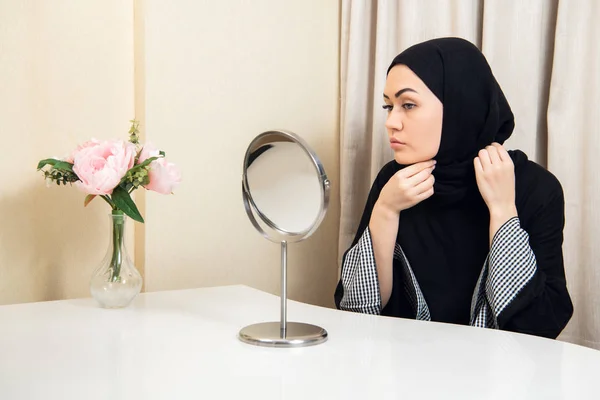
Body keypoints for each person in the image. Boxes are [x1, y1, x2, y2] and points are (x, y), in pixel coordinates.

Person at [334, 37, 573, 339]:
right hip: (403, 373)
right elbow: (357, 311)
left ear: (461, 103)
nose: (391, 122)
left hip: (497, 377)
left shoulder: (534, 187)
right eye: (388, 106)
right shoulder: (394, 181)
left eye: (408, 105)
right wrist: (385, 210)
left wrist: (502, 210)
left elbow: (542, 325)